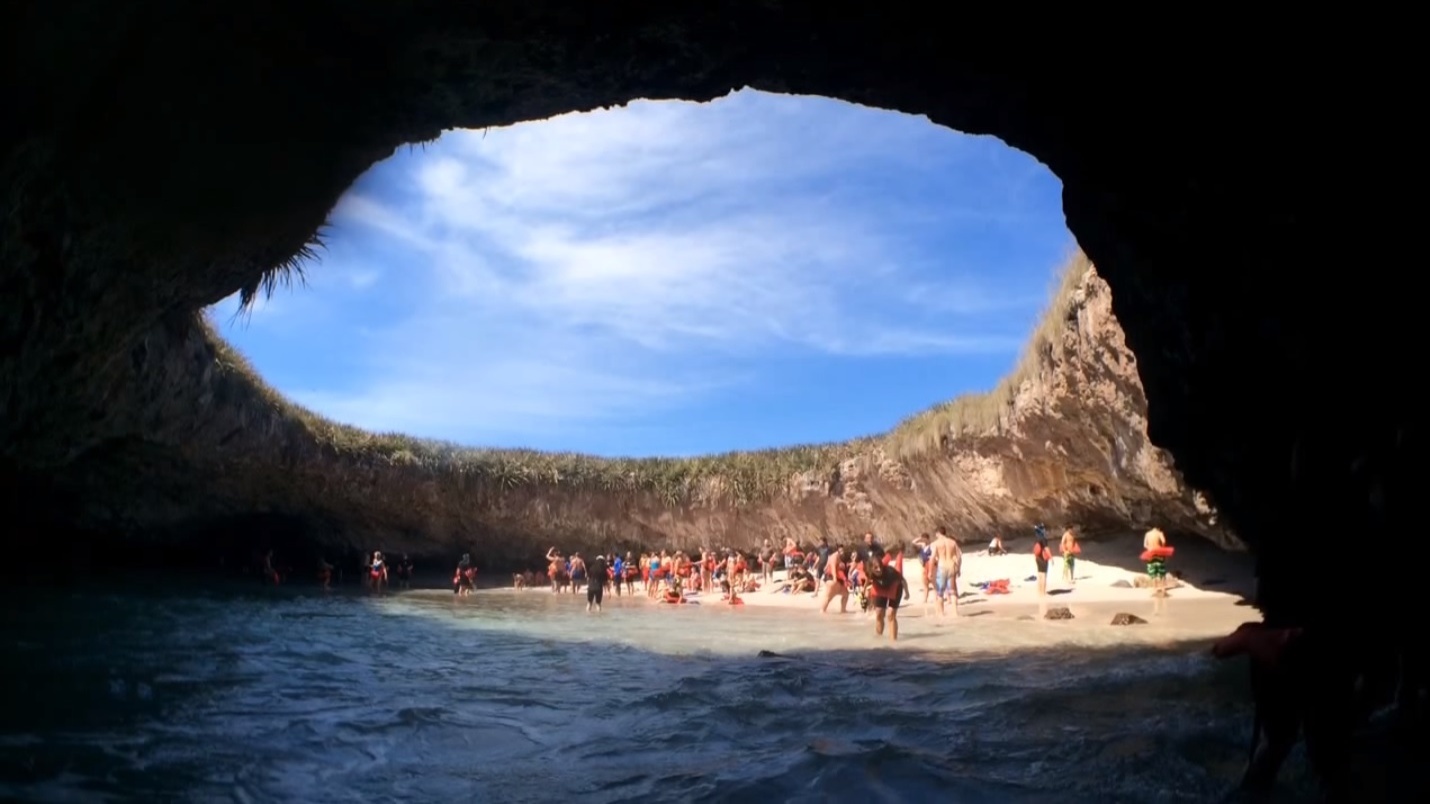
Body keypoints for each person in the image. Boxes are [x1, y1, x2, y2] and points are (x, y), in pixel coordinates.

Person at [863, 546, 905, 640]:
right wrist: (864, 592)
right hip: (881, 589)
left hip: (895, 588)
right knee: (878, 613)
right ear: (871, 568)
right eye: (875, 568)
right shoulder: (869, 572)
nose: (878, 569)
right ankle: (879, 639)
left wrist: (907, 593)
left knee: (890, 614)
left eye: (880, 566)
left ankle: (893, 641)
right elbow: (867, 581)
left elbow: (902, 580)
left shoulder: (890, 571)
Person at [931, 526, 962, 618]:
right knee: (952, 591)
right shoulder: (952, 542)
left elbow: (932, 557)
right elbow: (959, 556)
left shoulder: (935, 543)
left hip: (942, 567)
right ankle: (955, 613)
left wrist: (931, 570)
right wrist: (959, 568)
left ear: (938, 533)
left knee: (940, 592)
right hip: (952, 566)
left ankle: (941, 614)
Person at [1143, 527, 1170, 597]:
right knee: (1161, 571)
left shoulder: (1147, 534)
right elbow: (1163, 541)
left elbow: (1145, 545)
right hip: (1158, 552)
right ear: (1158, 528)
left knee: (1153, 571)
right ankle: (1163, 588)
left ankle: (1155, 589)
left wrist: (1149, 548)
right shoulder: (1159, 533)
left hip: (1150, 553)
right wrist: (1162, 548)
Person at [1032, 525, 1050, 596]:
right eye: (1044, 529)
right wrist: (1051, 557)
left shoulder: (1036, 539)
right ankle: (1043, 592)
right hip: (1043, 558)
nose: (1045, 531)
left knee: (1039, 574)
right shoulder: (1043, 539)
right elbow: (1046, 549)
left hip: (1037, 558)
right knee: (1044, 574)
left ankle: (1039, 591)